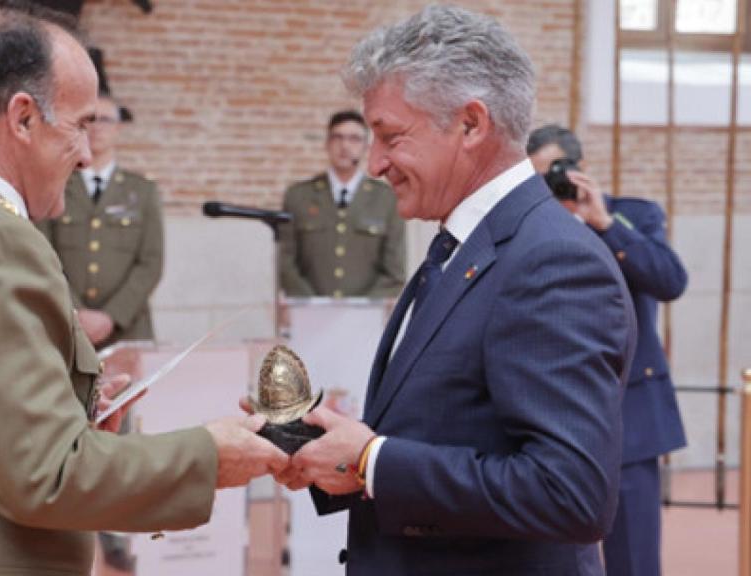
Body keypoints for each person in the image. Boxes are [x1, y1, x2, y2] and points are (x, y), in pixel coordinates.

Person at [0, 2, 287, 574]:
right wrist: (208, 455)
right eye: (79, 124)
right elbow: (46, 479)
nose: (87, 154)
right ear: (22, 119)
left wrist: (66, 426)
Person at [273, 6, 637, 575]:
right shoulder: (463, 244)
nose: (374, 164)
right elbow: (449, 431)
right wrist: (338, 451)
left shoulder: (552, 260)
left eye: (390, 136)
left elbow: (570, 494)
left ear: (471, 124)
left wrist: (373, 459)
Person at [528, 123, 688, 576]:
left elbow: (670, 280)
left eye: (556, 172)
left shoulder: (631, 217)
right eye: (537, 177)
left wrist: (603, 222)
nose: (549, 186)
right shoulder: (528, 228)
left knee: (633, 559)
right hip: (555, 419)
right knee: (553, 556)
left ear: (581, 169)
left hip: (630, 415)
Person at [37, 91, 163, 347]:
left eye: (105, 120)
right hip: (66, 326)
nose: (97, 128)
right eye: (90, 120)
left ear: (118, 128)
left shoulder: (142, 191)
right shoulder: (54, 186)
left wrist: (111, 316)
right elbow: (42, 255)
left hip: (126, 328)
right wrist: (74, 311)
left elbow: (151, 262)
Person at [278, 110, 407, 299]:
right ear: (327, 144)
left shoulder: (387, 199)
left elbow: (394, 272)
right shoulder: (298, 196)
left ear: (366, 147)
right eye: (337, 137)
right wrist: (313, 304)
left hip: (366, 317)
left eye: (354, 139)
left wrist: (358, 309)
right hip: (309, 314)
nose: (345, 146)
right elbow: (286, 262)